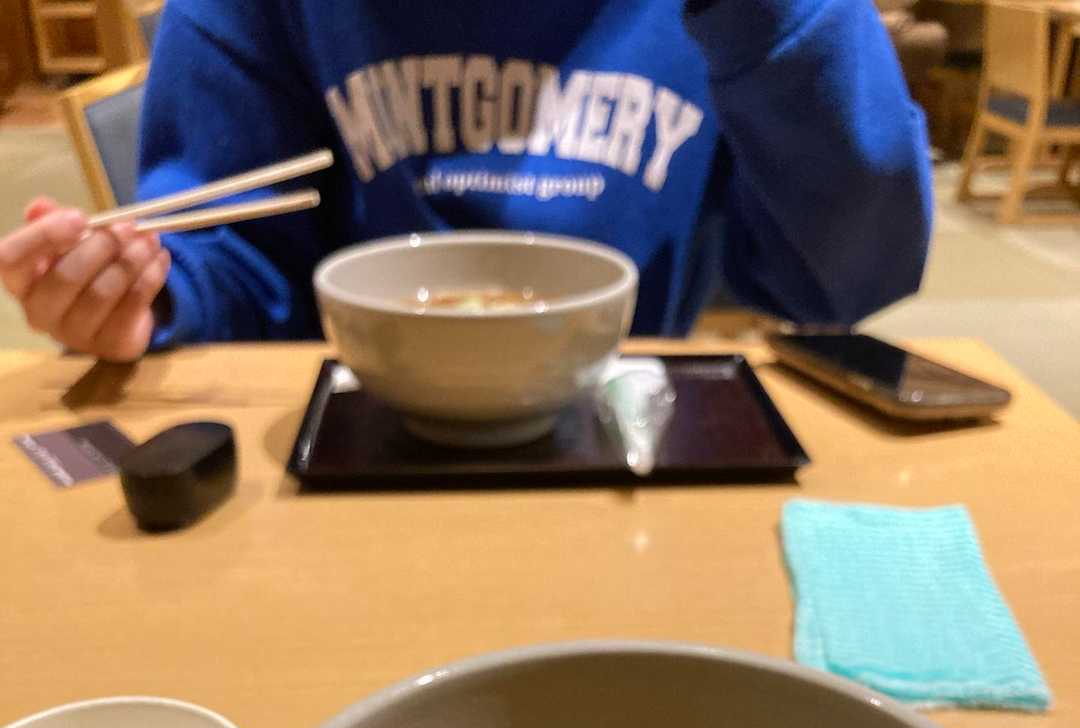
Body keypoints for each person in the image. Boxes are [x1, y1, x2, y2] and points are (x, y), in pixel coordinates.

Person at [0, 0, 933, 362]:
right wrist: (148, 294)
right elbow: (236, 258)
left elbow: (843, 282)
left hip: (628, 426)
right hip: (353, 438)